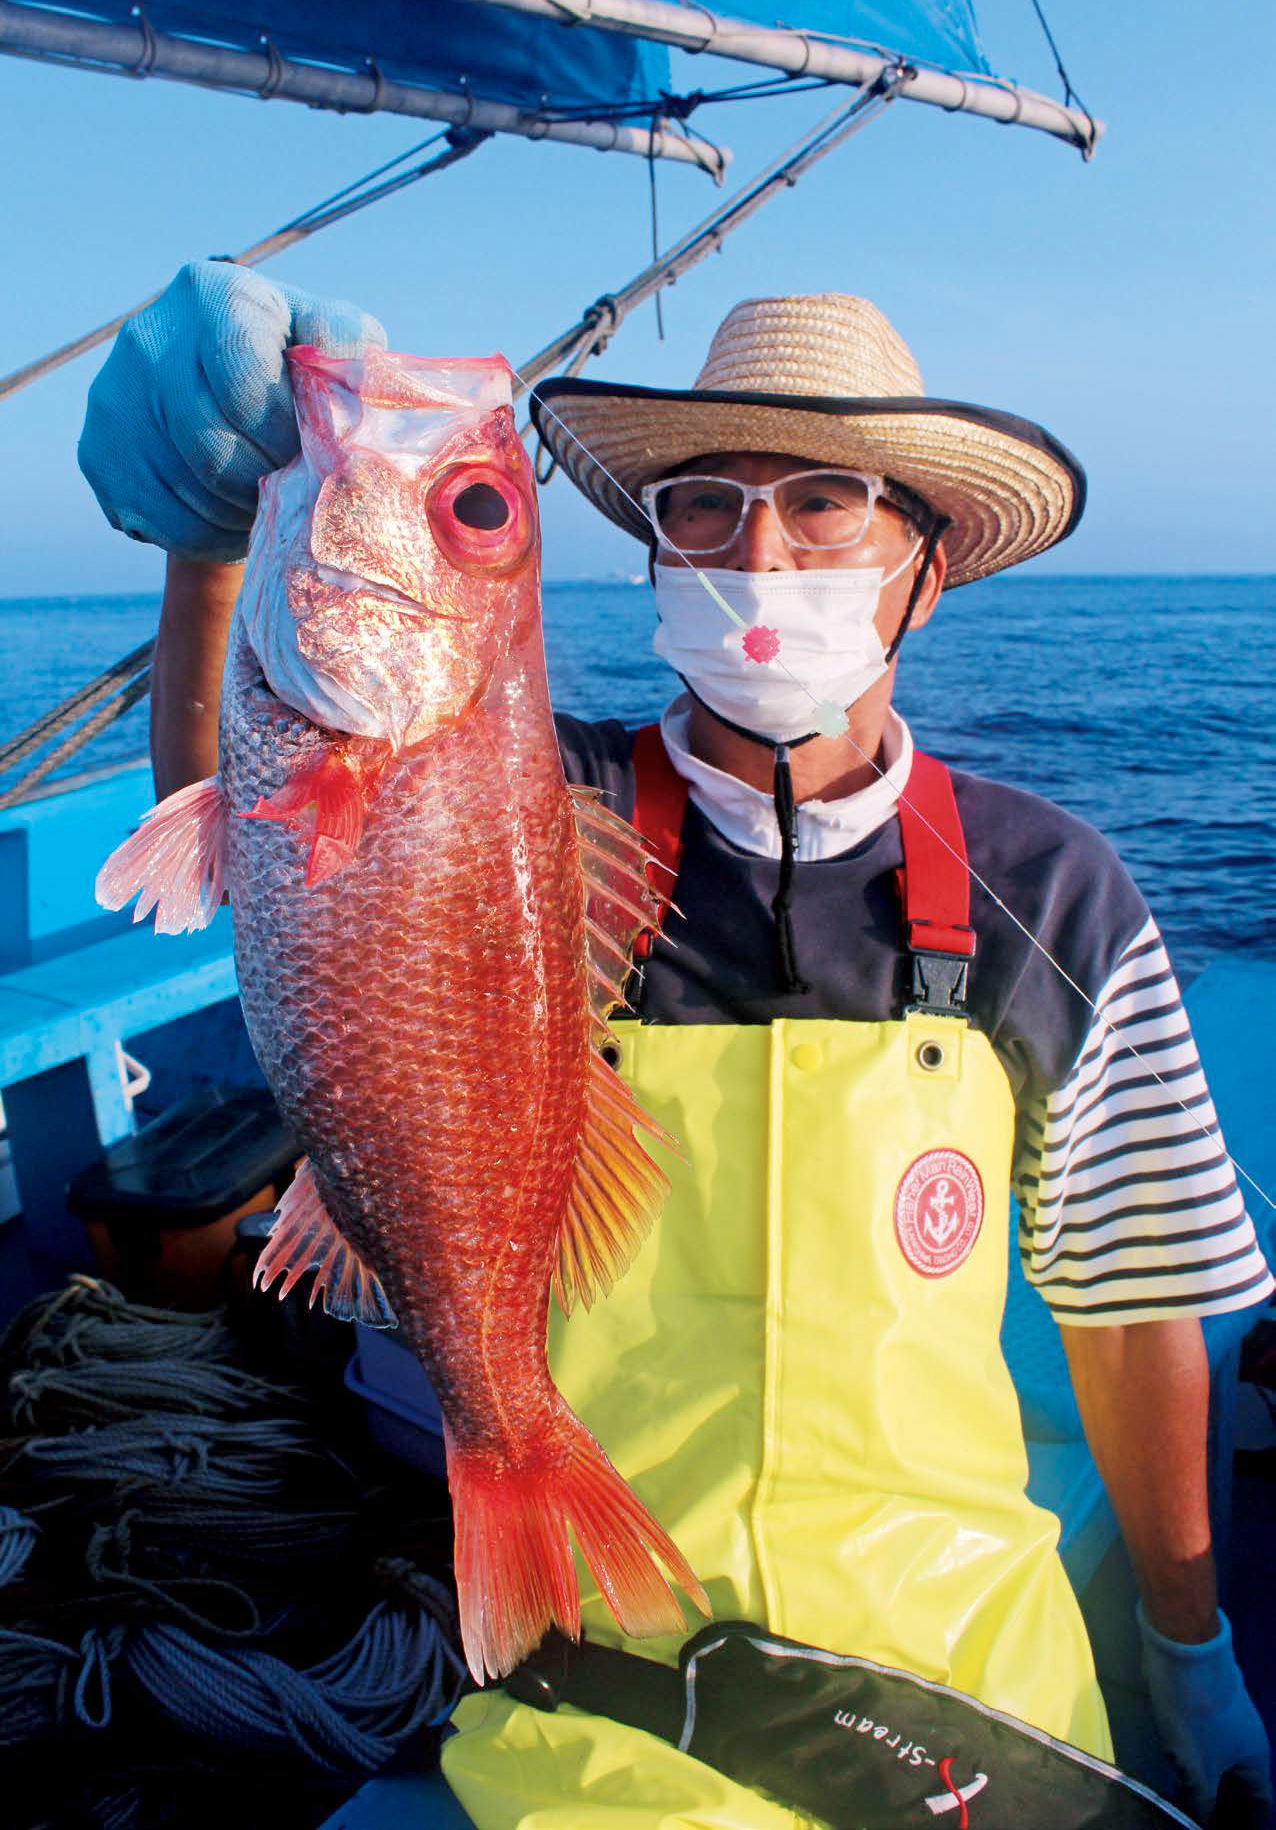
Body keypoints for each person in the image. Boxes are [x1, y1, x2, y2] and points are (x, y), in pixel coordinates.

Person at [79, 263, 1272, 1827]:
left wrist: (1188, 1643)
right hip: (599, 1704)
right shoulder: (524, 805)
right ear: (649, 551)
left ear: (927, 562)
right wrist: (211, 552)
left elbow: (1133, 1313)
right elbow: (268, 819)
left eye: (827, 501)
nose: (758, 551)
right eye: (703, 504)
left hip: (977, 1691)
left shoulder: (1056, 899)